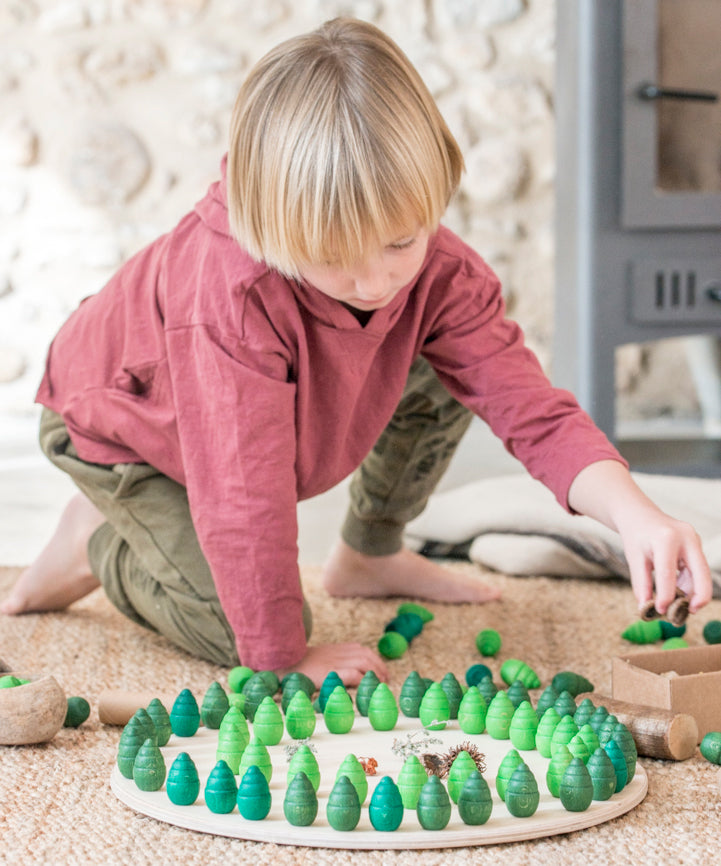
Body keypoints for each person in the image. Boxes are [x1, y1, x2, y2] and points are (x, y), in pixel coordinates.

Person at [1, 19, 712, 687]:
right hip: (124, 431)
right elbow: (244, 495)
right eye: (333, 257)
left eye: (401, 241)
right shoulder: (229, 297)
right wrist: (282, 663)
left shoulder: (441, 276)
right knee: (244, 633)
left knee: (446, 370)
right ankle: (98, 539)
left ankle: (367, 554)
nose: (375, 282)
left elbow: (527, 406)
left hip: (234, 441)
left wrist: (634, 515)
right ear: (269, 226)